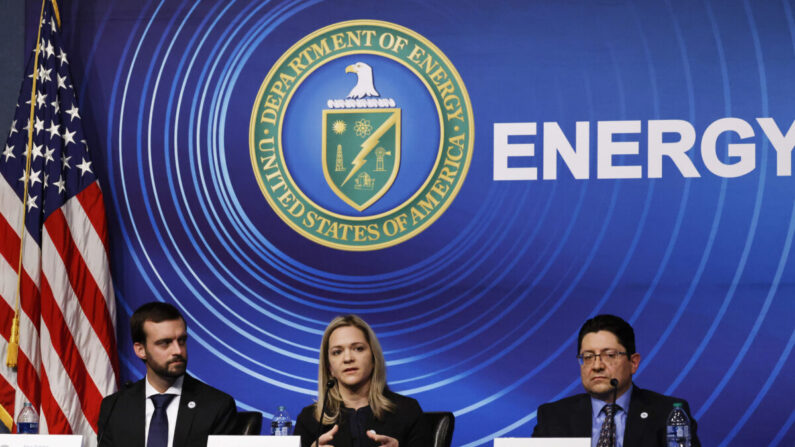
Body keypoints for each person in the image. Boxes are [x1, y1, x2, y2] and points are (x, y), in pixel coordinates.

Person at [532, 314, 701, 447]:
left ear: (633, 363)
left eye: (610, 355)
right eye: (588, 357)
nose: (597, 366)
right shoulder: (553, 417)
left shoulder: (668, 414)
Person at [97, 302, 237, 447]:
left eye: (182, 341)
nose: (178, 350)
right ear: (140, 350)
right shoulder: (114, 407)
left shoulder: (217, 406)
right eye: (165, 343)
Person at [294, 315, 431, 447]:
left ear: (373, 358)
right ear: (330, 367)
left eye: (358, 348)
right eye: (337, 352)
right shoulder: (309, 419)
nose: (348, 358)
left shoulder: (407, 411)